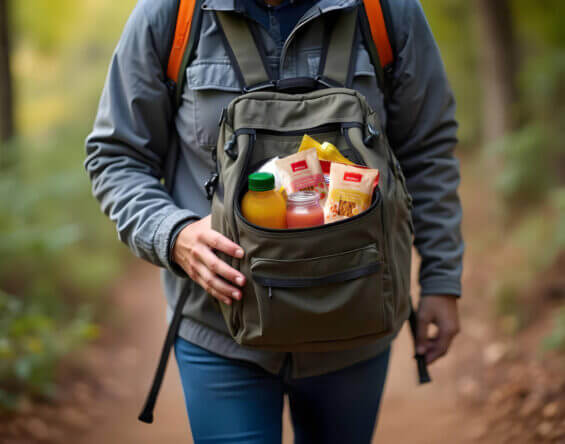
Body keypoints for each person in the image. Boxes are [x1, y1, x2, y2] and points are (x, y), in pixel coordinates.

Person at [85, 0, 463, 442]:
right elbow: (116, 156)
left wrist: (442, 278)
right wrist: (174, 235)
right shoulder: (173, 14)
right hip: (219, 333)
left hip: (355, 326)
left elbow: (427, 148)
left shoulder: (385, 11)